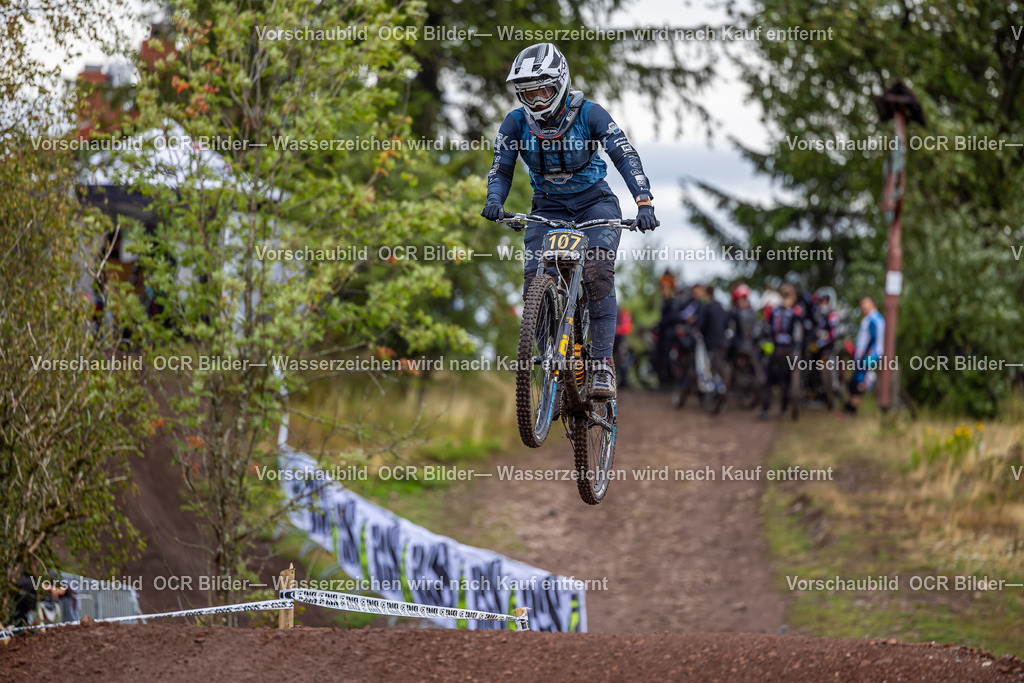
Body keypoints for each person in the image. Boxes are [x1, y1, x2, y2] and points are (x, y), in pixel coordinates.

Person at [481, 43, 658, 399]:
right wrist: (495, 201)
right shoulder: (515, 122)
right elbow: (501, 168)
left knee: (597, 272)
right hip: (547, 206)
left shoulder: (590, 114)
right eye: (527, 92)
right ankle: (554, 361)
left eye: (542, 89)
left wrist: (643, 201)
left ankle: (602, 365)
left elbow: (624, 154)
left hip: (595, 204)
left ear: (560, 82)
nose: (535, 98)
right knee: (536, 277)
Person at [759, 283, 802, 419]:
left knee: (785, 382)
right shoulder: (776, 312)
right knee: (770, 381)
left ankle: (782, 410)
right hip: (777, 350)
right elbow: (768, 330)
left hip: (788, 350)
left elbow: (799, 333)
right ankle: (766, 409)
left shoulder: (795, 313)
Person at [845, 296, 885, 414]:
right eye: (862, 304)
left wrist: (864, 354)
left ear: (873, 304)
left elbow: (872, 338)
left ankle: (852, 409)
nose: (863, 306)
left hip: (869, 356)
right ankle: (850, 405)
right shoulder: (871, 318)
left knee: (860, 381)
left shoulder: (873, 319)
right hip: (866, 355)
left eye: (866, 303)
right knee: (856, 380)